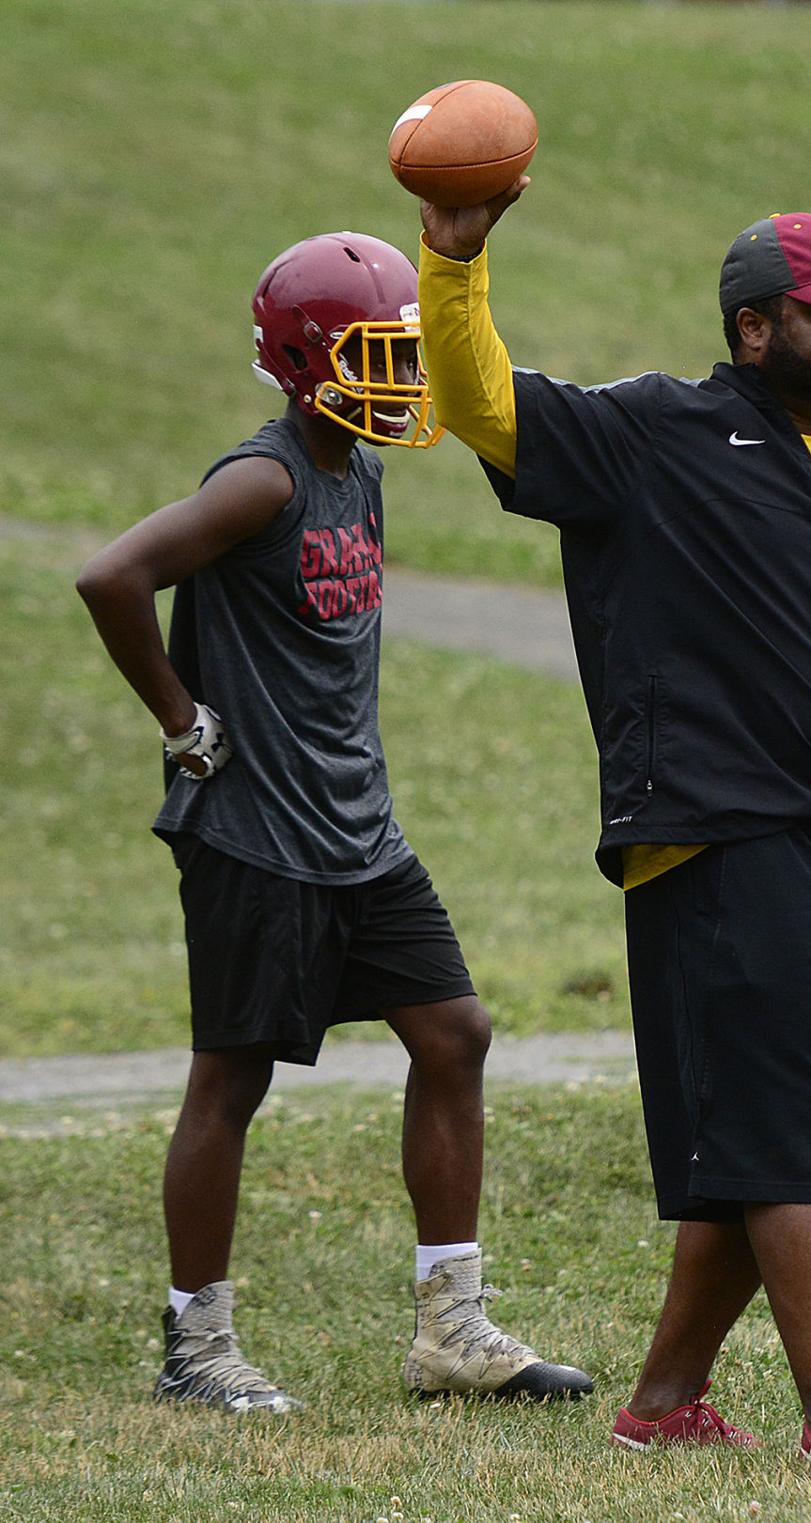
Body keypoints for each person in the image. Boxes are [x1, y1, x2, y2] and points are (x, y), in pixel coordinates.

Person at [415, 189, 811, 1470]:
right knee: (790, 1117)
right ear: (754, 329)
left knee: (775, 1125)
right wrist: (453, 262)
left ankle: (660, 1404)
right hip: (715, 829)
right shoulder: (657, 433)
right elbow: (487, 407)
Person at [75, 231, 591, 1413]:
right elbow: (111, 576)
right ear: (309, 362)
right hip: (255, 834)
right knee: (232, 1077)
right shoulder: (262, 480)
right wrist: (181, 718)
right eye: (380, 357)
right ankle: (196, 1345)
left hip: (360, 831)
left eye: (407, 356)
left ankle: (450, 1327)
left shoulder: (359, 467)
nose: (402, 380)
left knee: (454, 1032)